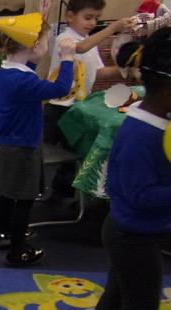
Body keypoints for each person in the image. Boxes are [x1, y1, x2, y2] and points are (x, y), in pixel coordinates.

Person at [79, 27, 171, 310]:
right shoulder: (143, 134)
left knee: (118, 296)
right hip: (133, 233)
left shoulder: (151, 119)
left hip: (131, 229)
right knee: (142, 307)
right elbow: (141, 195)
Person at [0, 14, 76, 266]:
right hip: (23, 147)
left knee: (7, 194)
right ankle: (17, 251)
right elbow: (61, 89)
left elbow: (28, 66)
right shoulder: (24, 81)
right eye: (47, 41)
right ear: (35, 46)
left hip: (7, 144)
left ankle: (5, 234)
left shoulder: (4, 72)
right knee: (24, 200)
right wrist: (67, 58)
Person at [44, 0, 136, 196]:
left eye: (96, 18)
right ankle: (27, 191)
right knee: (42, 151)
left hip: (77, 107)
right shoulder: (65, 38)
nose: (93, 23)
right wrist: (113, 28)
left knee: (72, 151)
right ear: (69, 16)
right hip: (58, 107)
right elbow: (80, 48)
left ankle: (62, 191)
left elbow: (99, 72)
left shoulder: (88, 41)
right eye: (88, 17)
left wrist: (126, 69)